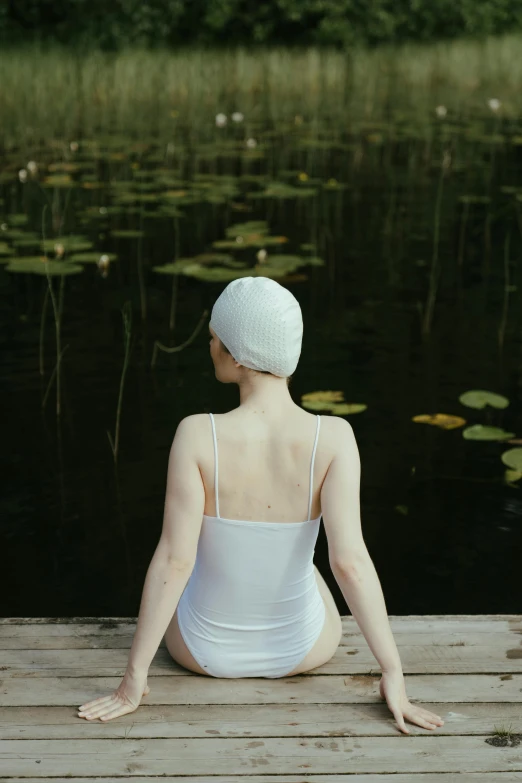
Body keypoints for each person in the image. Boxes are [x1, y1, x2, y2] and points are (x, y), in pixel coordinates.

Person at [78, 276, 444, 733]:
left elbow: (174, 560)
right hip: (302, 651)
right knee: (311, 566)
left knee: (190, 563)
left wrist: (132, 681)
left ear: (234, 355)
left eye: (213, 338)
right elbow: (349, 563)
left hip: (199, 654)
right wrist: (393, 672)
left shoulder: (196, 433)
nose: (209, 346)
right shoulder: (334, 438)